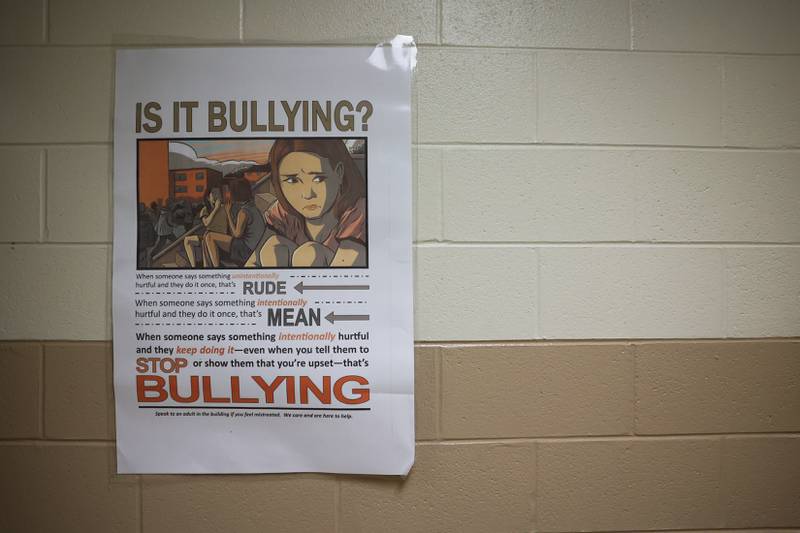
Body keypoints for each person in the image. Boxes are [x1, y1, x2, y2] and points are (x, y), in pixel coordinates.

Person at [258, 139, 366, 267]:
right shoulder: (283, 213)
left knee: (311, 254)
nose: (308, 194)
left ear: (339, 172)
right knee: (274, 246)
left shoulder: (358, 212)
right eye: (292, 180)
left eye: (318, 178)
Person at [204, 179, 266, 267]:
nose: (228, 194)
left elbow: (236, 234)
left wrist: (228, 213)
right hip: (255, 246)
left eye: (229, 191)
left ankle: (216, 268)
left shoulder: (244, 212)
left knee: (209, 236)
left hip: (247, 251)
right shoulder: (252, 206)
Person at [183, 188, 227, 267]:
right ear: (208, 198)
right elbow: (206, 223)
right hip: (208, 236)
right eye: (213, 194)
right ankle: (193, 266)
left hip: (220, 237)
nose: (216, 196)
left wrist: (217, 208)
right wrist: (215, 209)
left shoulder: (224, 208)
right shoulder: (205, 210)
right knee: (187, 240)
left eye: (218, 194)